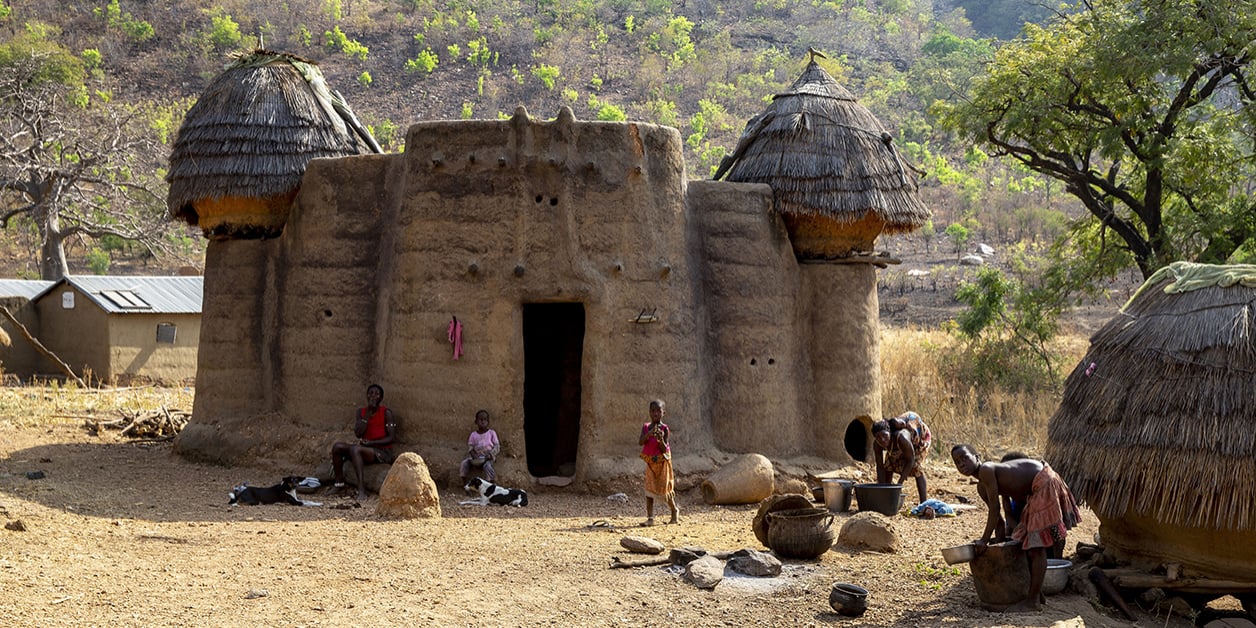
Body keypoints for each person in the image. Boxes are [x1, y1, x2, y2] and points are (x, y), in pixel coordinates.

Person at [951, 444, 1082, 612]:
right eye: (957, 462)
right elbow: (999, 521)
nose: (961, 464)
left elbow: (994, 510)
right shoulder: (981, 486)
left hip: (1043, 481)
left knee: (1037, 548)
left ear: (977, 457)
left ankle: (1033, 601)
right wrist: (995, 548)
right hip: (1035, 489)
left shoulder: (986, 469)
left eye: (965, 458)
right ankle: (1037, 594)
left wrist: (983, 540)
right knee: (1025, 542)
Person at [330, 383, 398, 501]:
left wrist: (371, 443)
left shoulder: (386, 413)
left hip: (381, 451)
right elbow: (358, 433)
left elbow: (391, 438)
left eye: (376, 394)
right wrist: (368, 414)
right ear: (366, 396)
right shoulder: (361, 412)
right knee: (337, 447)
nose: (373, 396)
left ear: (381, 398)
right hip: (366, 447)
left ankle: (361, 490)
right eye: (371, 393)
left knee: (356, 449)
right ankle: (339, 483)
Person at [871, 411, 932, 504]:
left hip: (919, 438)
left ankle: (924, 503)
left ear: (890, 433)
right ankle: (887, 498)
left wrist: (899, 484)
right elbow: (880, 467)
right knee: (888, 464)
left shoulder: (901, 437)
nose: (882, 440)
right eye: (878, 437)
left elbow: (910, 460)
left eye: (884, 435)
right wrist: (881, 489)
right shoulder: (877, 444)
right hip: (900, 444)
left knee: (916, 468)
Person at [638, 399, 679, 526]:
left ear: (663, 413)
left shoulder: (665, 429)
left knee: (665, 489)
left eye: (658, 411)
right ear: (649, 412)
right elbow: (641, 442)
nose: (655, 413)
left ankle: (674, 510)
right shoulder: (646, 427)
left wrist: (660, 439)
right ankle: (650, 518)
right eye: (653, 411)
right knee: (649, 490)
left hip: (662, 463)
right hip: (651, 463)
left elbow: (664, 448)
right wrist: (649, 434)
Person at [460, 409, 500, 485]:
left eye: (485, 419)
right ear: (476, 421)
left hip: (488, 457)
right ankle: (465, 484)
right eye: (480, 419)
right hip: (477, 457)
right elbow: (470, 447)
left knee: (487, 466)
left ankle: (491, 483)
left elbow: (497, 446)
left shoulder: (491, 433)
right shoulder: (473, 435)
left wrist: (491, 454)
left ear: (488, 422)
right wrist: (473, 455)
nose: (482, 422)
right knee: (464, 463)